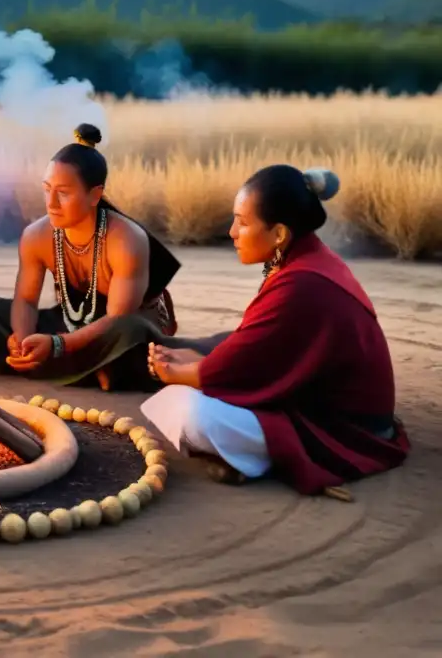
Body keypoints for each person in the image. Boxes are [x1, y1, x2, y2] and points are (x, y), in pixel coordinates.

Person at [141, 166, 409, 495]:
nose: (232, 232)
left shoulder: (301, 283)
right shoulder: (306, 258)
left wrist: (176, 373)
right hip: (333, 410)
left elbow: (235, 366)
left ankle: (255, 459)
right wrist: (194, 357)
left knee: (187, 409)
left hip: (345, 431)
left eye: (243, 221)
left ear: (279, 234)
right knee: (192, 394)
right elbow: (260, 346)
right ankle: (244, 454)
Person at [0, 124, 180, 391]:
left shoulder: (126, 238)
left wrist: (56, 345)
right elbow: (26, 300)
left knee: (128, 334)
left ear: (95, 195)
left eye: (63, 193)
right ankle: (84, 369)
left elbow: (116, 320)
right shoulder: (36, 236)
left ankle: (72, 366)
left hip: (125, 323)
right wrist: (23, 339)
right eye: (46, 189)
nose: (51, 202)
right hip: (73, 320)